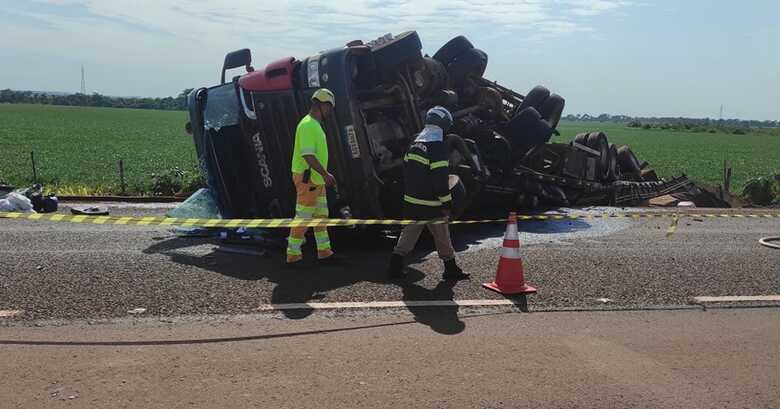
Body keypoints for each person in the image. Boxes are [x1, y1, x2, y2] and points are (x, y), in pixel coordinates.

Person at [386, 106, 469, 281]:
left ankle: (395, 267)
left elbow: (406, 171)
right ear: (444, 126)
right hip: (432, 205)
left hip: (412, 202)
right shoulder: (437, 148)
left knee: (408, 236)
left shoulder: (414, 145)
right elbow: (440, 180)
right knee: (442, 236)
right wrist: (447, 204)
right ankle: (450, 269)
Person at [286, 88, 341, 266]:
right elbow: (308, 155)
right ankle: (293, 256)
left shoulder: (313, 124)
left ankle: (324, 252)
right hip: (309, 179)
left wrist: (323, 177)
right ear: (322, 104)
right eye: (330, 107)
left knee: (321, 217)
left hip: (316, 180)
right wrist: (326, 175)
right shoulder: (308, 125)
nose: (330, 111)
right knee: (303, 218)